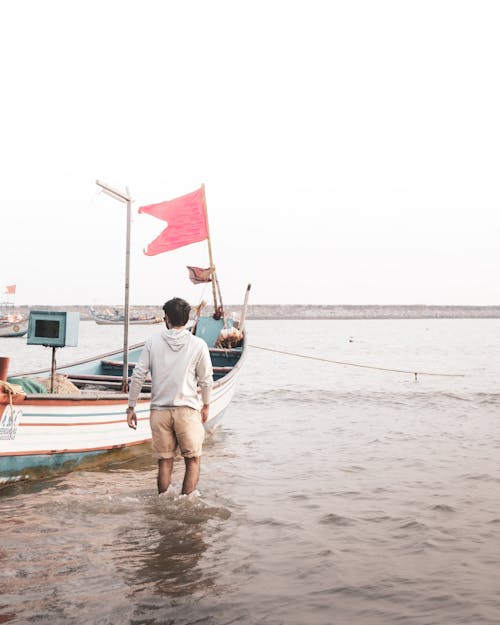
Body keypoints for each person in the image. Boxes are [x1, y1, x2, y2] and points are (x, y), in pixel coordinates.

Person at [126, 297, 213, 495]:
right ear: (187, 319)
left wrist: (131, 407)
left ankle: (162, 502)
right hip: (187, 411)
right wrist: (206, 404)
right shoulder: (198, 344)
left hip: (159, 412)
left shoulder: (152, 342)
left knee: (164, 462)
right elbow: (206, 379)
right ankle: (185, 503)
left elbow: (138, 375)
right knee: (192, 460)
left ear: (167, 318)